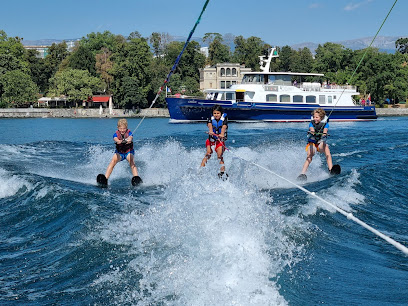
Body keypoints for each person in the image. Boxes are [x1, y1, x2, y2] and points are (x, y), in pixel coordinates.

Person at [103, 118, 142, 185]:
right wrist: (119, 141)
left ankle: (136, 178)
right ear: (118, 128)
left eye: (124, 128)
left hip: (128, 152)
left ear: (126, 128)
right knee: (113, 161)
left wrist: (128, 140)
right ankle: (105, 179)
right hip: (120, 153)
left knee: (131, 161)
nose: (122, 130)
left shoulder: (129, 133)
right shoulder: (116, 134)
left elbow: (130, 138)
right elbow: (115, 139)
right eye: (120, 128)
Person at [298, 108, 333, 180]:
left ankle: (331, 169)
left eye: (317, 117)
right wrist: (312, 132)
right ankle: (302, 174)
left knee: (326, 148)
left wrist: (324, 134)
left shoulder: (326, 125)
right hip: (312, 143)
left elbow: (325, 130)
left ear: (321, 118)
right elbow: (311, 128)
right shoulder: (311, 123)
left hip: (320, 143)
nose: (315, 118)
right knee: (310, 155)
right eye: (314, 117)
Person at [200, 104, 228, 179]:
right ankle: (201, 170)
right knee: (208, 153)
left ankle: (222, 172)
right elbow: (209, 125)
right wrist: (210, 131)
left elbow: (224, 127)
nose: (216, 115)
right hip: (211, 140)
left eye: (218, 113)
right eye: (215, 113)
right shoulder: (210, 118)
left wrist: (222, 134)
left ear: (221, 113)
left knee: (219, 155)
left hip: (220, 141)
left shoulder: (224, 119)